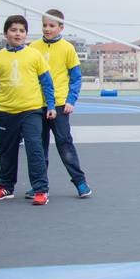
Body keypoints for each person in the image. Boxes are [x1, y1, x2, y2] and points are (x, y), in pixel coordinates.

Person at [0, 16, 56, 205]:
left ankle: (40, 190)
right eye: (13, 30)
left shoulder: (34, 55)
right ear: (6, 34)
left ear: (26, 34)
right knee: (7, 151)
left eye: (21, 30)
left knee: (35, 150)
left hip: (31, 111)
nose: (17, 34)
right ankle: (5, 186)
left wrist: (51, 106)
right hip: (6, 112)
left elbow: (47, 82)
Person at [30, 10, 92, 198]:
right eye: (45, 25)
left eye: (52, 25)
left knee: (64, 144)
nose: (47, 29)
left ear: (61, 27)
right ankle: (39, 186)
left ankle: (80, 183)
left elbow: (76, 78)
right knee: (38, 148)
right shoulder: (33, 47)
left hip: (59, 106)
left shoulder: (67, 48)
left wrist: (70, 101)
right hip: (36, 106)